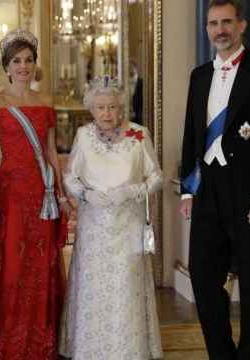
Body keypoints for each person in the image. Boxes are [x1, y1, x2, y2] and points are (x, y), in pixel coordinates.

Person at [178, 1, 250, 359]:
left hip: (248, 193)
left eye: (227, 22)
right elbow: (191, 138)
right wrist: (187, 189)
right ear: (207, 29)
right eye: (213, 23)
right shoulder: (199, 75)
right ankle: (222, 353)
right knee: (202, 274)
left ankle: (248, 355)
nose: (219, 29)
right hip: (208, 189)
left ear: (241, 25)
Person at [0, 29, 71, 360]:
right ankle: (10, 341)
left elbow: (52, 152)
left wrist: (62, 192)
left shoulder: (46, 101)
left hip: (42, 196)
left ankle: (42, 341)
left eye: (28, 60)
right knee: (13, 266)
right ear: (6, 66)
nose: (23, 66)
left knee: (42, 264)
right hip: (9, 195)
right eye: (17, 61)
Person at [58, 76, 163, 360]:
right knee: (94, 288)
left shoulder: (138, 134)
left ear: (121, 108)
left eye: (113, 107)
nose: (107, 114)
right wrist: (85, 195)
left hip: (128, 225)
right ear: (91, 109)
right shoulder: (83, 136)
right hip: (94, 227)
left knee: (124, 288)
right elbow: (70, 176)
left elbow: (156, 177)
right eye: (101, 107)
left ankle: (127, 349)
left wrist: (133, 190)